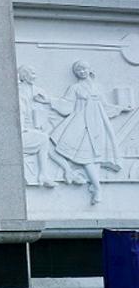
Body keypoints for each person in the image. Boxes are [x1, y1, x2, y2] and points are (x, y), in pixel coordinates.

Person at [49, 60, 133, 204]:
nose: (82, 72)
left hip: (98, 124)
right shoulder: (75, 88)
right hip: (80, 124)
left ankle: (95, 185)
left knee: (96, 156)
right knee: (86, 157)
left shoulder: (97, 87)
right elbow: (66, 104)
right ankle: (97, 187)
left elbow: (105, 106)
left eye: (84, 69)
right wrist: (49, 101)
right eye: (78, 71)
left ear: (89, 69)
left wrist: (121, 108)